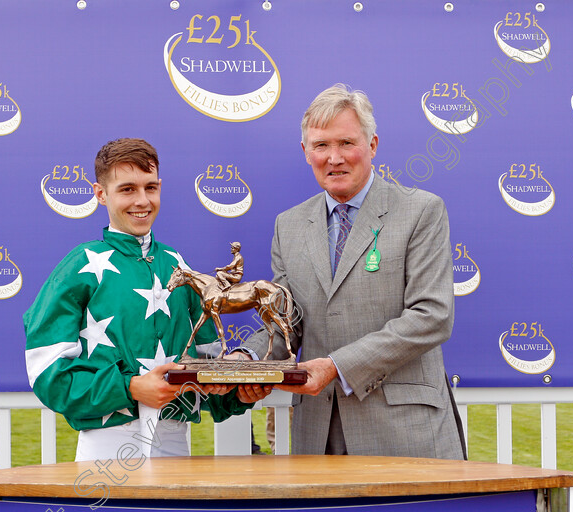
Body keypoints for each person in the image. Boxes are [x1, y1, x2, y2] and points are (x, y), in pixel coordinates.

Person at [235, 84, 466, 459]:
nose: (334, 157)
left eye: (346, 143)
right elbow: (285, 322)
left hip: (405, 436)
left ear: (372, 145)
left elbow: (432, 316)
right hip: (318, 434)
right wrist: (248, 362)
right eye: (321, 145)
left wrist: (336, 366)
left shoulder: (421, 211)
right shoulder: (288, 225)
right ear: (305, 152)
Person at [24, 138, 249, 461]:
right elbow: (48, 373)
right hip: (105, 447)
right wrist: (130, 388)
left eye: (150, 188)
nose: (142, 201)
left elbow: (208, 369)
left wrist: (241, 391)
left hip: (174, 444)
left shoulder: (178, 266)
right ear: (101, 194)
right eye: (127, 189)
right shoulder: (79, 266)